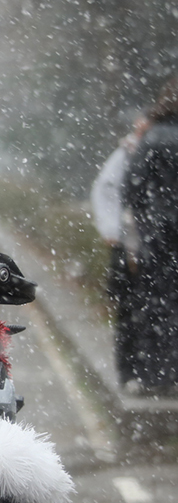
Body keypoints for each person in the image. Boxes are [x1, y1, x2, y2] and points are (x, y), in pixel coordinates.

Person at [122, 75, 178, 393]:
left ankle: (158, 375)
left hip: (158, 234)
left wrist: (145, 217)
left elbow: (132, 185)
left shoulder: (154, 137)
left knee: (157, 302)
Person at [90, 111, 149, 386]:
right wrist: (112, 229)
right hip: (129, 246)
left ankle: (145, 370)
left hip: (149, 244)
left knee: (143, 309)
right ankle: (130, 372)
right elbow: (104, 188)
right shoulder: (127, 154)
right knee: (129, 309)